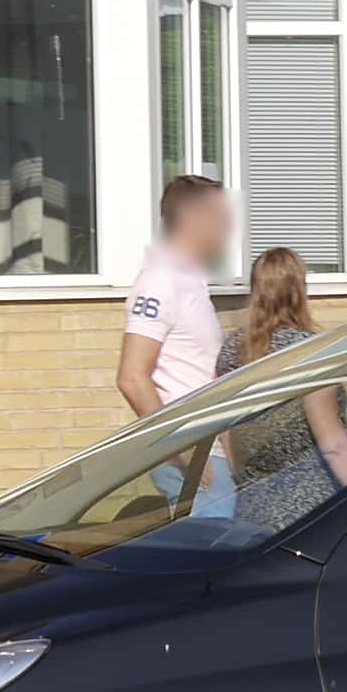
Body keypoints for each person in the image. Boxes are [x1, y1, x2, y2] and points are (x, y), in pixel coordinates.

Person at [212, 249, 347, 528]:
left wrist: (244, 476)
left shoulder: (232, 350)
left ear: (255, 291)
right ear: (299, 291)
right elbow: (333, 446)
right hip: (310, 507)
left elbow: (223, 427)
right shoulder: (310, 352)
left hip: (252, 505)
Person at [121, 175, 232, 510]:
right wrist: (183, 453)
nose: (226, 227)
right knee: (211, 557)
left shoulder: (190, 279)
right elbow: (131, 377)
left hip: (209, 452)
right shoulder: (160, 280)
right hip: (195, 457)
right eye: (218, 216)